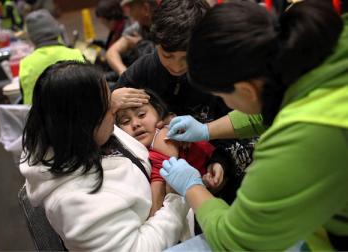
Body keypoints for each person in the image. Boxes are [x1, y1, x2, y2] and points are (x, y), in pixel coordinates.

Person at [160, 0, 348, 251]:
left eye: (223, 97)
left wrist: (191, 186)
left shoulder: (303, 135)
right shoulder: (325, 45)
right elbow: (270, 102)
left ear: (246, 90)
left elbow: (235, 240)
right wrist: (207, 130)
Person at [19, 61, 190, 251]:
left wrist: (164, 125)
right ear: (86, 122)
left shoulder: (70, 136)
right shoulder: (77, 205)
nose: (114, 109)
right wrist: (175, 198)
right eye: (108, 107)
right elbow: (141, 247)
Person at [114, 0, 256, 204]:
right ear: (157, 44)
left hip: (218, 181)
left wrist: (222, 162)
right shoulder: (144, 71)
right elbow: (106, 121)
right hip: (157, 180)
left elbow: (246, 128)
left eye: (187, 58)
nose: (176, 66)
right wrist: (111, 101)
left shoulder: (220, 70)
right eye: (167, 55)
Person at [115, 89, 227, 216]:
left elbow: (159, 183)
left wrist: (151, 218)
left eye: (141, 115)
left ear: (159, 114)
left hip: (219, 187)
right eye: (125, 121)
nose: (135, 124)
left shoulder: (162, 136)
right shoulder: (140, 147)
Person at [19, 9, 84, 104]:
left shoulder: (26, 64)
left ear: (31, 38)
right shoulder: (76, 55)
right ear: (57, 30)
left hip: (39, 118)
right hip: (80, 115)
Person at [106, 0, 157, 76]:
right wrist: (124, 73)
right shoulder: (137, 27)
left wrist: (141, 44)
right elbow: (111, 52)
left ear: (146, 8)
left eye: (132, 8)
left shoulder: (165, 26)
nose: (130, 14)